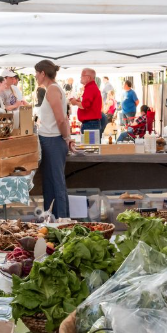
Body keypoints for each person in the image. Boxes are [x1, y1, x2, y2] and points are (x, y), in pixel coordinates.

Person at [35, 60, 75, 217]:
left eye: (36, 73)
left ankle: (60, 220)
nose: (35, 76)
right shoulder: (52, 89)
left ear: (43, 73)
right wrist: (67, 137)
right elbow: (63, 118)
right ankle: (53, 219)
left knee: (56, 184)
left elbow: (61, 119)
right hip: (50, 140)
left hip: (52, 141)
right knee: (51, 184)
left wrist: (66, 138)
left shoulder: (52, 90)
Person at [70, 67, 103, 135]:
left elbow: (84, 105)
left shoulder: (90, 88)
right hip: (91, 123)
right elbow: (88, 104)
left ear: (88, 77)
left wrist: (75, 102)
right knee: (91, 142)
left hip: (90, 124)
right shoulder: (91, 87)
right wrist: (79, 102)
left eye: (82, 76)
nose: (81, 78)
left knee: (89, 142)